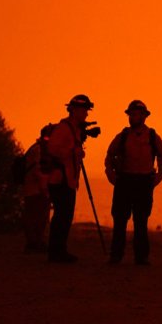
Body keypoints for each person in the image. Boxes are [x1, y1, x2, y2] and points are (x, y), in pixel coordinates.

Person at [104, 100, 162, 265]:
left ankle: (141, 257)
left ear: (144, 116)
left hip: (143, 183)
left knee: (141, 221)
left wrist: (159, 175)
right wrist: (110, 174)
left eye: (135, 114)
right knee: (119, 221)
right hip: (124, 181)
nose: (132, 117)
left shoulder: (153, 136)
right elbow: (109, 156)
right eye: (131, 114)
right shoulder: (123, 136)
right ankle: (116, 256)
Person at [46, 94, 94, 263]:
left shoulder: (74, 129)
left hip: (67, 179)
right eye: (85, 110)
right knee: (62, 216)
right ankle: (56, 252)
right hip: (61, 180)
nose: (87, 114)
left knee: (64, 216)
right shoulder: (64, 128)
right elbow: (52, 148)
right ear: (75, 110)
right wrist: (73, 151)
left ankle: (59, 251)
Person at [21, 129, 50, 253]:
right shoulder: (38, 150)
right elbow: (39, 171)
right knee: (35, 217)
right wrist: (44, 189)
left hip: (33, 188)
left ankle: (37, 242)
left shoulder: (35, 148)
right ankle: (34, 243)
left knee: (38, 216)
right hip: (35, 189)